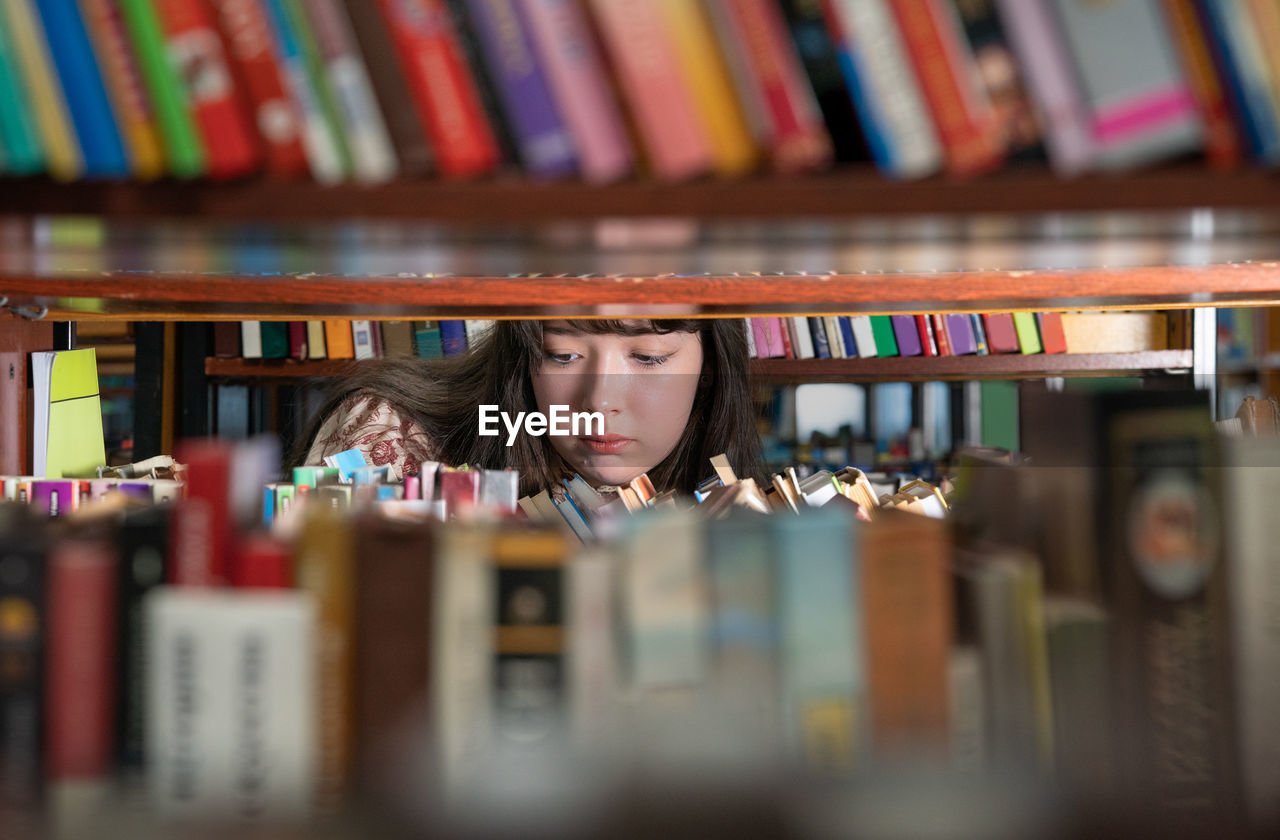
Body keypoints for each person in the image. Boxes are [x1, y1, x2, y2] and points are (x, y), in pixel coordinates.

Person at [290, 318, 763, 497]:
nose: (598, 402)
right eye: (561, 354)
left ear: (710, 369)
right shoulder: (386, 436)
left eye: (648, 358)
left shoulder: (720, 484)